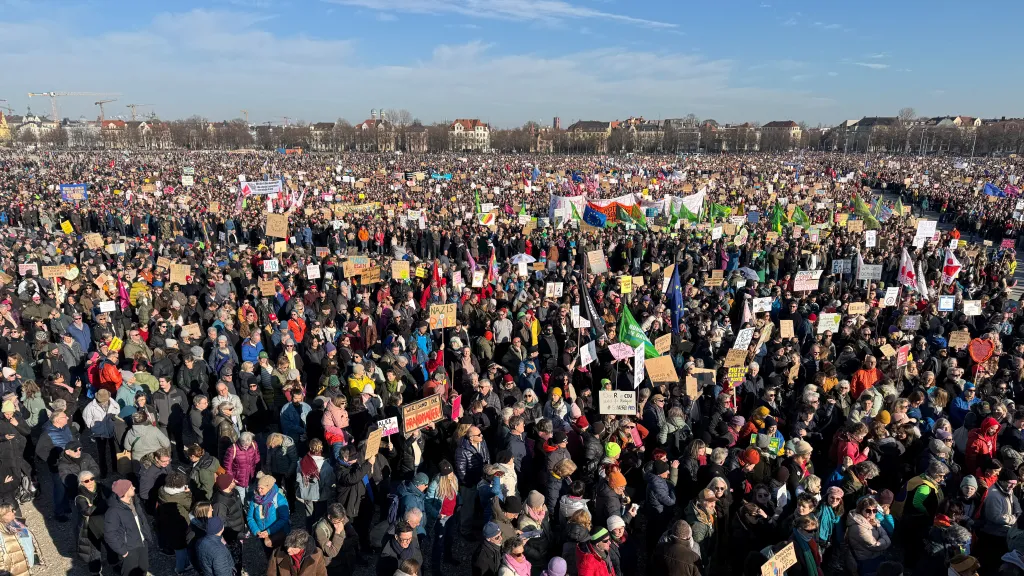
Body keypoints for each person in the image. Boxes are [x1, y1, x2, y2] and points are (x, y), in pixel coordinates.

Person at [104, 479, 154, 576]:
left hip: (142, 543)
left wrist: (147, 537)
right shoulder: (113, 511)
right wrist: (122, 551)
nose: (134, 488)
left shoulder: (135, 503)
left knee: (143, 569)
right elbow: (110, 534)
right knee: (129, 573)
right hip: (129, 548)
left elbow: (142, 521)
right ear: (125, 491)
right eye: (131, 487)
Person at [844, 496, 892, 576]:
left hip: (871, 557)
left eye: (874, 510)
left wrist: (877, 526)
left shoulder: (871, 520)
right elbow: (875, 545)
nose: (872, 513)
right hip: (865, 560)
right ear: (860, 510)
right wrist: (886, 539)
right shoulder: (859, 527)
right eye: (868, 510)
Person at [247, 474, 291, 553]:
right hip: (262, 534)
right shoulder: (254, 499)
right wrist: (256, 531)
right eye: (258, 487)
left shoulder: (279, 499)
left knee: (280, 554)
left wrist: (269, 531)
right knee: (268, 554)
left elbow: (284, 518)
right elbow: (250, 517)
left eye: (262, 488)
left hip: (277, 532)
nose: (259, 490)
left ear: (269, 487)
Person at [75, 471, 107, 576]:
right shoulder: (80, 497)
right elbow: (87, 511)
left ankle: (115, 563)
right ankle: (95, 572)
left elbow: (112, 497)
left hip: (105, 523)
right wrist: (103, 504)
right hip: (90, 528)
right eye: (86, 481)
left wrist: (93, 506)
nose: (90, 482)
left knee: (111, 545)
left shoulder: (100, 487)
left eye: (92, 479)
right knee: (94, 551)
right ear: (81, 483)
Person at [313, 503, 351, 576]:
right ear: (329, 517)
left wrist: (335, 545)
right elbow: (331, 553)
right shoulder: (320, 529)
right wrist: (338, 533)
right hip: (330, 564)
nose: (340, 523)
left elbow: (355, 538)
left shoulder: (342, 518)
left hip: (345, 559)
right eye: (337, 521)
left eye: (341, 520)